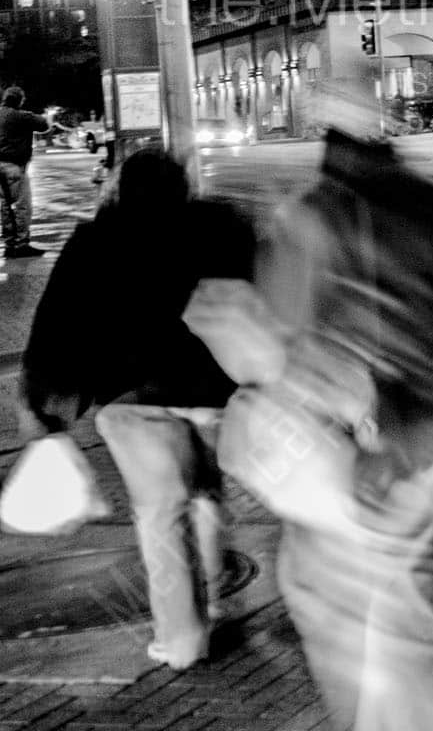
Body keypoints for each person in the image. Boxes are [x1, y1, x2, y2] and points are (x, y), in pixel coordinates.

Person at [240, 116, 433, 731]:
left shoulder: (314, 219)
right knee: (402, 602)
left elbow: (278, 331)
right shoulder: (431, 212)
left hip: (353, 451)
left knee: (357, 619)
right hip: (426, 442)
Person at [21, 148, 257, 669]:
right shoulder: (219, 229)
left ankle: (182, 638)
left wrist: (44, 406)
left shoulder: (95, 241)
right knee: (208, 493)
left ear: (122, 189)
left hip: (131, 403)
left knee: (159, 515)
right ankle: (219, 596)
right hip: (215, 393)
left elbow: (55, 326)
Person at [0, 85, 54, 257]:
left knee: (5, 206)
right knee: (22, 206)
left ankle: (9, 244)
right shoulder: (22, 116)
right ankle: (21, 244)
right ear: (19, 100)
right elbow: (44, 124)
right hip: (15, 167)